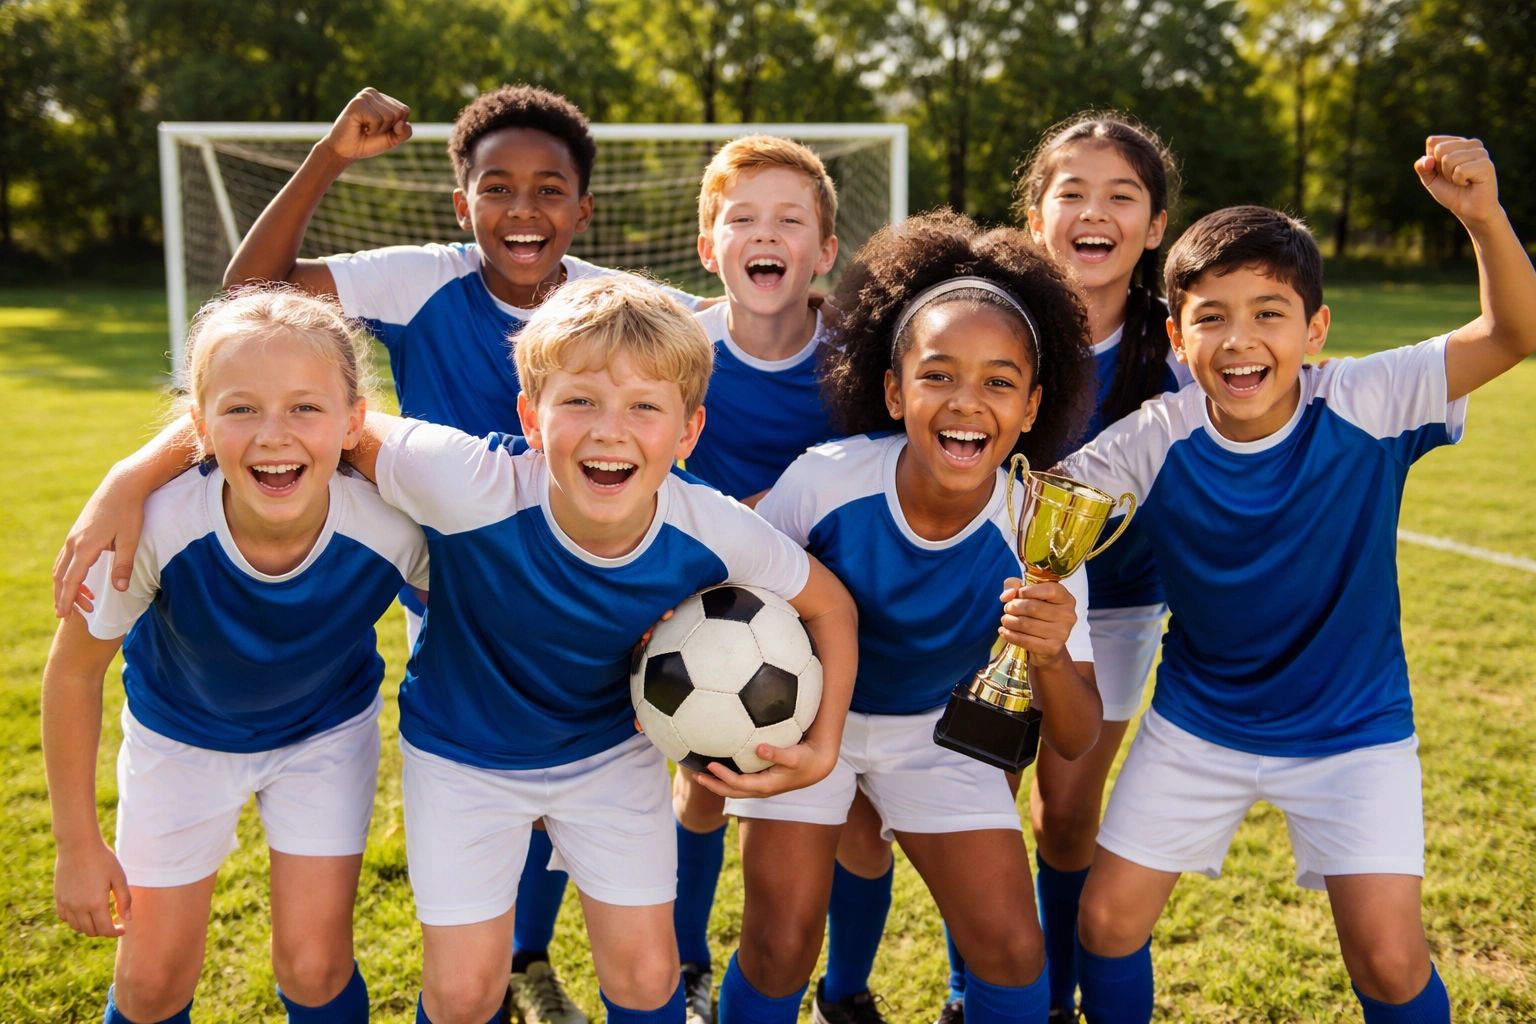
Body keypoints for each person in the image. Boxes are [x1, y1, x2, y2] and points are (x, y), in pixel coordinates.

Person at [61, 83, 705, 1024]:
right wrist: (139, 467)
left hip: (565, 567)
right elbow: (258, 323)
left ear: (584, 209)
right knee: (489, 751)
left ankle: (524, 953)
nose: (523, 210)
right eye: (497, 188)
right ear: (462, 204)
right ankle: (505, 957)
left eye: (550, 190)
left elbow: (685, 383)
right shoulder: (425, 278)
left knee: (564, 749)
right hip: (446, 567)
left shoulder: (613, 307)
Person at [1060, 136, 1535, 1023]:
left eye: (1269, 313)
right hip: (1200, 722)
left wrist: (1483, 219)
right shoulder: (1154, 436)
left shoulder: (1367, 399)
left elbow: (1516, 333)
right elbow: (1033, 517)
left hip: (1353, 730)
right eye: (1210, 318)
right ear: (1176, 334)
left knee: (1391, 962)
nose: (1239, 341)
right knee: (1107, 920)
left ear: (1315, 329)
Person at [354, 274, 857, 1024]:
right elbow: (327, 416)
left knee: (647, 976)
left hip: (604, 755)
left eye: (645, 407)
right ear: (531, 415)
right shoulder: (466, 481)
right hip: (462, 754)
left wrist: (822, 746)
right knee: (462, 994)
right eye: (580, 400)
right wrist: (133, 483)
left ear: (688, 433)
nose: (609, 429)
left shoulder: (709, 528)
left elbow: (831, 606)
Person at [819, 113, 1184, 1024]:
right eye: (1072, 193)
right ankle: (969, 987)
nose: (1094, 213)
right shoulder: (987, 316)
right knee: (984, 782)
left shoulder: (1174, 345)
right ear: (1034, 216)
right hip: (986, 591)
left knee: (1066, 811)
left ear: (1156, 225)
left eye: (1121, 196)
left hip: (1113, 604)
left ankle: (1047, 993)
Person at [711, 211, 1102, 1024]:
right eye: (938, 375)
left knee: (1013, 951)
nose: (968, 403)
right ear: (894, 390)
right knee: (779, 948)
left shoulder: (1040, 529)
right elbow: (731, 600)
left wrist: (1053, 654)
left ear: (1033, 405)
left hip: (937, 736)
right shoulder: (826, 482)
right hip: (804, 720)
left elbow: (1072, 737)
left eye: (999, 382)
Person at [42, 287, 430, 1024]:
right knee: (152, 984)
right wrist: (76, 843)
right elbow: (73, 672)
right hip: (180, 738)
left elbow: (476, 611)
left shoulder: (392, 522)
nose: (273, 435)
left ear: (354, 422)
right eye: (241, 408)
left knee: (315, 968)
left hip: (324, 733)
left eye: (305, 409)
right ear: (200, 427)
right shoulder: (152, 524)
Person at [669, 133, 841, 1024]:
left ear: (824, 251)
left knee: (844, 807)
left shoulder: (854, 356)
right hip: (703, 606)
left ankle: (844, 986)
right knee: (700, 782)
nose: (764, 234)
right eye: (742, 219)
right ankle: (688, 964)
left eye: (789, 219)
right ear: (709, 246)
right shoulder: (681, 346)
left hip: (829, 603)